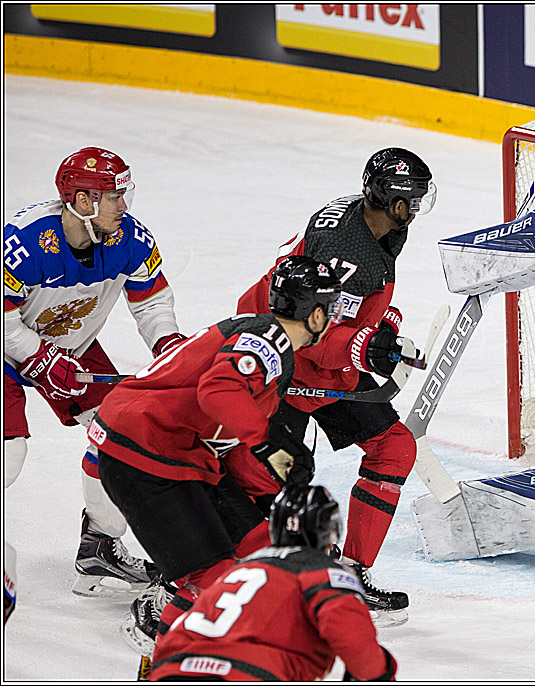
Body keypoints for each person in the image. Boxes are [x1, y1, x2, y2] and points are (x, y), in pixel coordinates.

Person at [89, 256, 344, 658]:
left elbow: (234, 442)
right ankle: (164, 648)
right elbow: (219, 391)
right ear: (315, 315)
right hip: (145, 450)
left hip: (181, 453)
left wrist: (278, 496)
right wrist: (268, 441)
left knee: (263, 545)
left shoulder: (268, 342)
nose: (333, 319)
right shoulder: (269, 339)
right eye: (332, 310)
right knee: (216, 578)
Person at [235, 147, 437, 625]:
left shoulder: (377, 226)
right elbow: (302, 328)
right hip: (280, 359)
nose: (418, 206)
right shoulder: (342, 248)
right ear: (391, 199)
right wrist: (364, 345)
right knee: (276, 479)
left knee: (393, 448)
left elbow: (347, 307)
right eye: (413, 197)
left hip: (323, 362)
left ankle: (349, 575)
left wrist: (378, 326)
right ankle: (211, 582)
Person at [3, 147, 186, 597]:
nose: (124, 206)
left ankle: (98, 548)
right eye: (114, 196)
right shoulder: (24, 242)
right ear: (82, 201)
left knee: (124, 437)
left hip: (73, 345)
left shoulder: (131, 240)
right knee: (9, 455)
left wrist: (167, 344)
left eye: (124, 194)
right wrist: (40, 357)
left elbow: (152, 302)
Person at [149, 484, 397, 682]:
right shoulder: (325, 572)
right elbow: (359, 652)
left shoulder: (238, 569)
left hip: (170, 670)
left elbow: (178, 627)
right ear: (328, 532)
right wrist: (382, 670)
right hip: (247, 673)